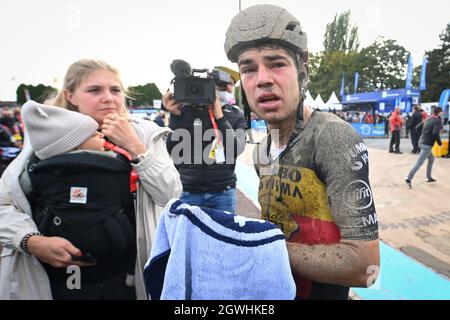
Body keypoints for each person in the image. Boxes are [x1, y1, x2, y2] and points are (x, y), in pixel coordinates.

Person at [224, 4, 379, 299]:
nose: (262, 79)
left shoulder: (331, 137)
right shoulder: (262, 152)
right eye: (248, 69)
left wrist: (263, 247)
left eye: (277, 63)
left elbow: (367, 267)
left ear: (302, 70)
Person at [0, 59, 182, 300]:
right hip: (55, 283)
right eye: (94, 90)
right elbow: (5, 204)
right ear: (70, 95)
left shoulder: (145, 134)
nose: (108, 98)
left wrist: (136, 148)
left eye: (115, 90)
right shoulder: (45, 141)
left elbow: (171, 194)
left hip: (128, 280)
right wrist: (30, 241)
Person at [163, 69, 247, 213]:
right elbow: (171, 150)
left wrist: (219, 116)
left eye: (230, 85)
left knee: (223, 235)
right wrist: (175, 117)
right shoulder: (185, 111)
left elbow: (236, 149)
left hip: (223, 191)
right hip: (189, 190)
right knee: (187, 235)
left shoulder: (235, 114)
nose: (228, 89)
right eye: (221, 86)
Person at [405, 107, 444, 188]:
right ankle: (408, 177)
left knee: (431, 159)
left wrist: (424, 134)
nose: (442, 113)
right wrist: (440, 143)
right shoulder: (437, 121)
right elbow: (435, 133)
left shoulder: (429, 118)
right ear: (439, 112)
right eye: (442, 112)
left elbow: (417, 127)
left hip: (421, 141)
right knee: (419, 162)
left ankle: (428, 177)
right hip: (427, 145)